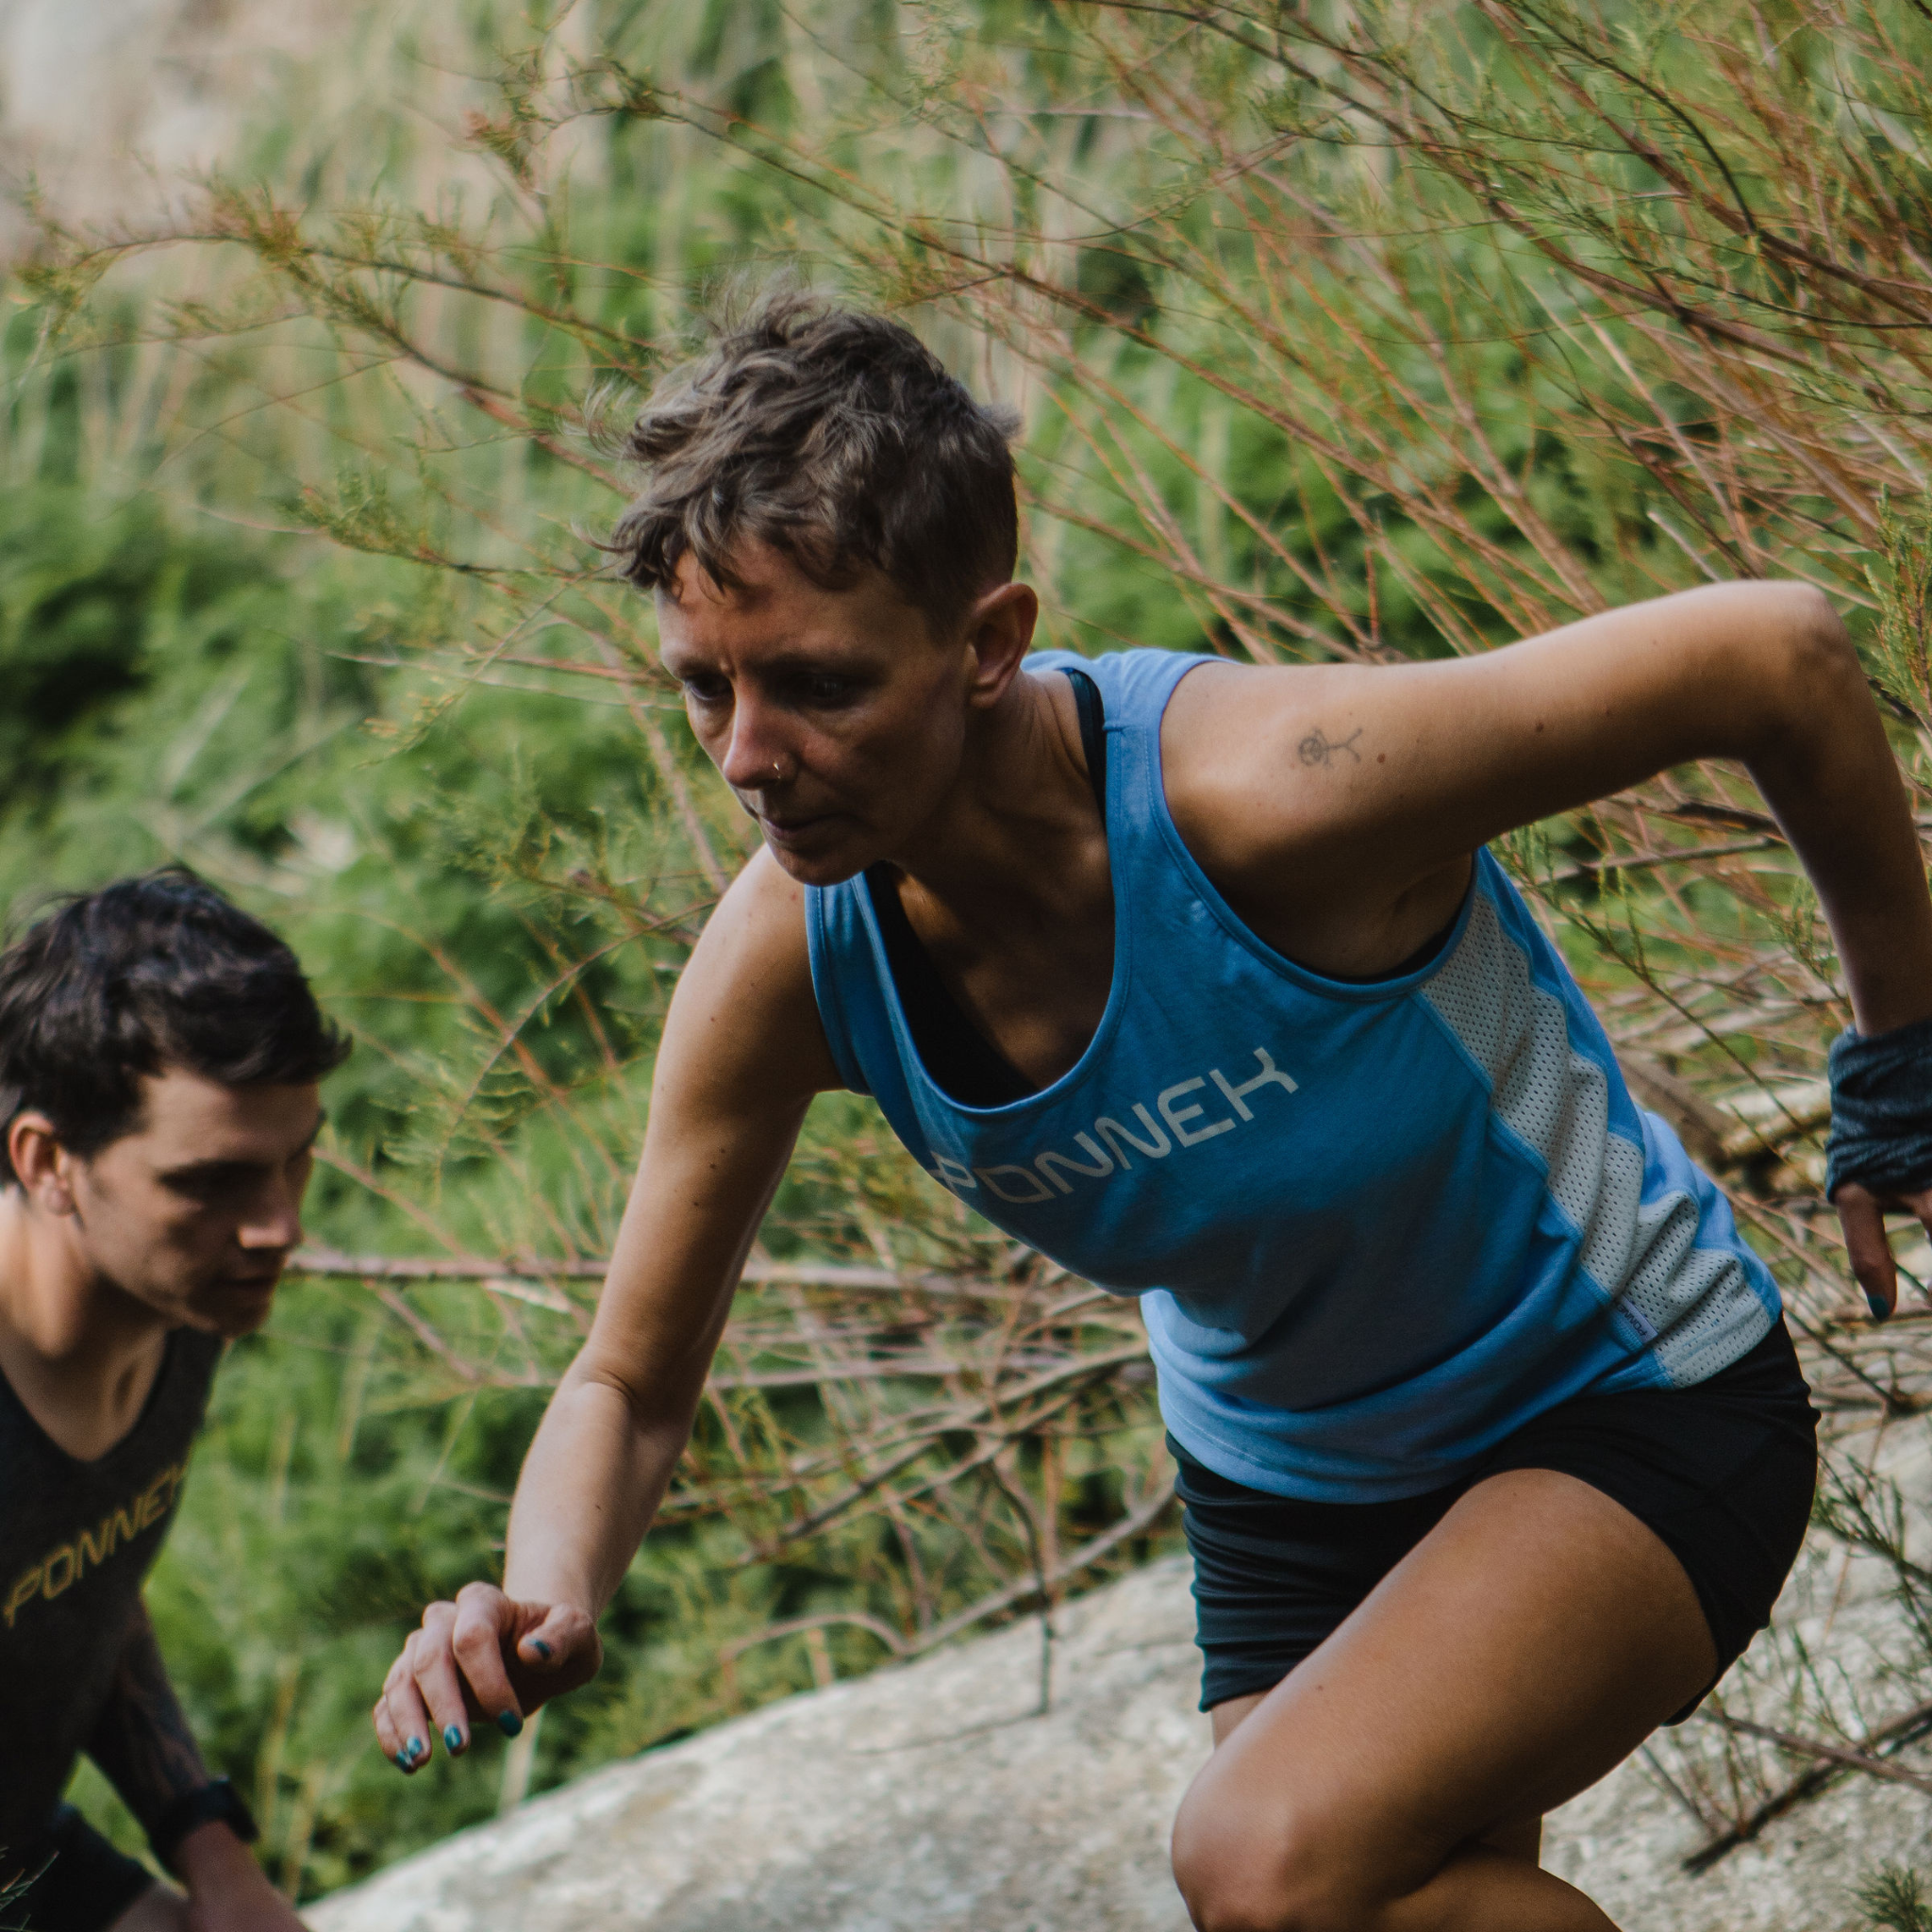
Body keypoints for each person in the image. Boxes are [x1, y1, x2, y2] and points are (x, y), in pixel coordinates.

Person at [371, 296, 1932, 1932]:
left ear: (985, 644)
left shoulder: (1268, 797)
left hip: (1615, 1390)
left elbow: (1774, 656)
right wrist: (539, 1593)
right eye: (706, 688)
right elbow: (625, 1376)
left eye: (817, 684)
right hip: (1293, 1496)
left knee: (1261, 1863)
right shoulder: (791, 959)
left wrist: (1898, 1063)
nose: (751, 759)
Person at [1, 869, 348, 1932]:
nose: (276, 1227)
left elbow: (74, 1575)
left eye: (296, 1162)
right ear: (49, 1160)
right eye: (210, 1182)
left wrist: (215, 1854)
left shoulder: (183, 1292)